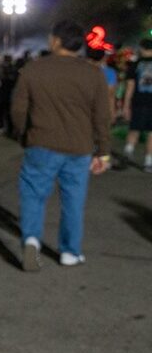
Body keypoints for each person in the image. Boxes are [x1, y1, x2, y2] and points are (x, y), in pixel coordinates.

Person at [11, 20, 112, 270]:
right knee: (73, 201)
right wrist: (104, 152)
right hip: (79, 147)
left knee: (33, 196)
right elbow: (102, 116)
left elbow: (18, 109)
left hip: (41, 142)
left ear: (56, 41)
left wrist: (24, 134)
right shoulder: (93, 73)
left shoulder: (34, 69)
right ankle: (70, 252)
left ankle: (32, 240)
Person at [120, 38, 152, 171]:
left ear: (142, 48)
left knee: (134, 129)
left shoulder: (135, 64)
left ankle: (127, 155)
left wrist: (126, 105)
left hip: (138, 102)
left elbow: (130, 86)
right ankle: (148, 162)